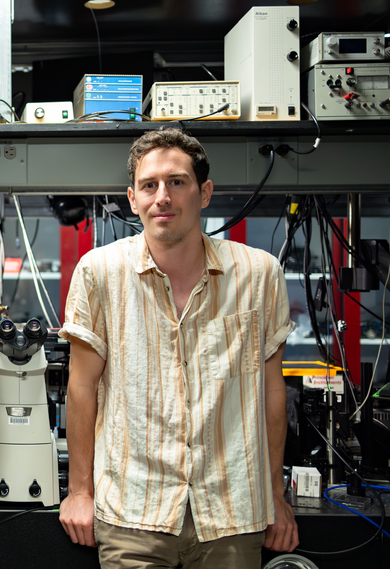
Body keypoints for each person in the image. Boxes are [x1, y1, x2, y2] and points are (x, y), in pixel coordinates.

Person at [58, 127, 299, 568]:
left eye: (177, 182)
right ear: (133, 199)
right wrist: (79, 492)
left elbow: (271, 391)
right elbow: (81, 389)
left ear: (204, 192)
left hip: (233, 514)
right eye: (149, 185)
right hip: (134, 513)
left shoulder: (258, 274)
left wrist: (276, 496)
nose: (162, 197)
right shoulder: (100, 273)